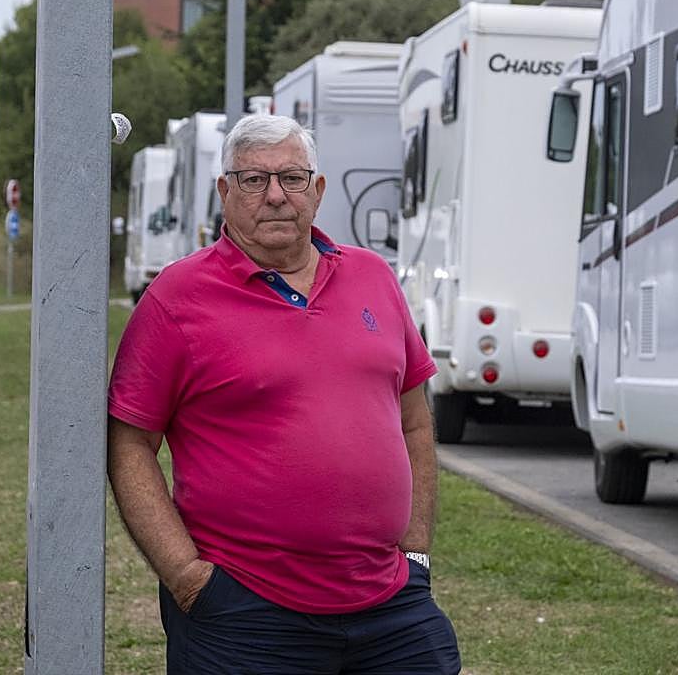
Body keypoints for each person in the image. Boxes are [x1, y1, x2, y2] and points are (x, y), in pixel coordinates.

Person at [108, 114, 461, 674]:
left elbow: (414, 423)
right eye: (253, 180)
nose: (275, 196)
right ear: (224, 191)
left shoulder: (373, 277)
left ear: (317, 191)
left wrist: (415, 553)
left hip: (390, 604)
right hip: (246, 611)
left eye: (292, 179)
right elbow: (130, 445)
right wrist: (186, 576)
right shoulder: (177, 298)